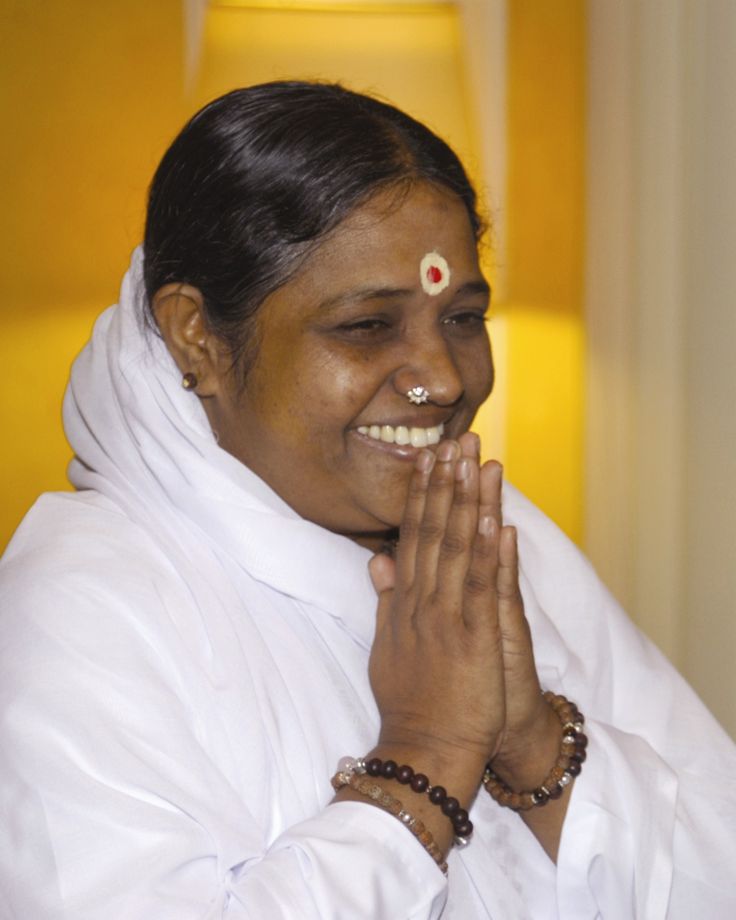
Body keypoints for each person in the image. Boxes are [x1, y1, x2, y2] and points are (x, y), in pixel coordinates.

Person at [0, 81, 734, 920]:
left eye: (462, 317)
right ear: (195, 335)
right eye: (366, 327)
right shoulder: (79, 611)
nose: (445, 380)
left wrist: (530, 741)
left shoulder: (491, 535)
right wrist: (427, 755)